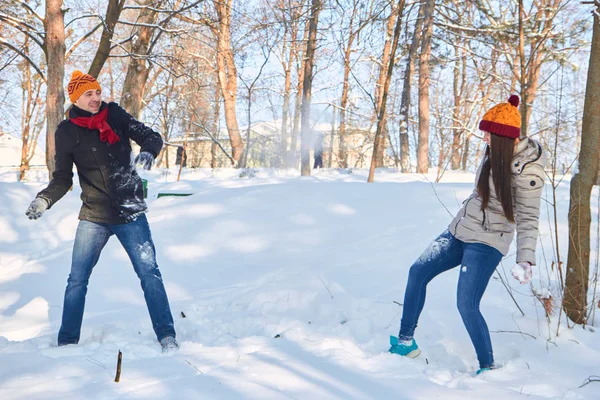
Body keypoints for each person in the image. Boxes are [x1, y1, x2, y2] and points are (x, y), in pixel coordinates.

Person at [388, 95, 545, 374]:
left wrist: (526, 259)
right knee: (417, 272)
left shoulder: (527, 170)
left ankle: (487, 365)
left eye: (487, 131)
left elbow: (528, 217)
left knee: (466, 303)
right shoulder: (492, 153)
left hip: (488, 241)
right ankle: (405, 342)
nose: (483, 136)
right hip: (460, 231)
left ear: (501, 136)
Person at [25, 70, 178, 352]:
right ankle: (67, 342)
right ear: (76, 99)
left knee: (149, 273)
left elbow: (150, 136)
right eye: (89, 94)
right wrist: (44, 200)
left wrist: (147, 152)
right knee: (77, 280)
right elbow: (62, 178)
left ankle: (167, 336)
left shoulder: (115, 115)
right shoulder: (66, 132)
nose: (96, 98)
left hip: (129, 211)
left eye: (97, 92)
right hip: (94, 215)